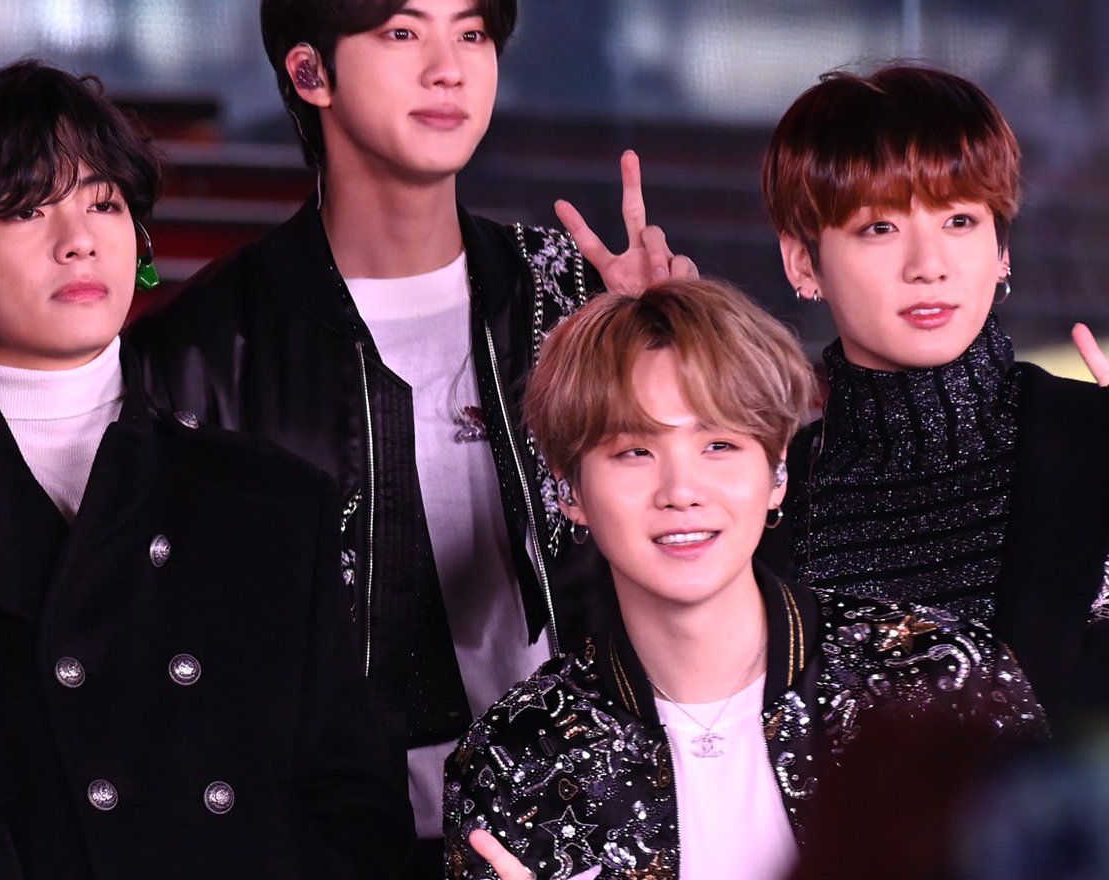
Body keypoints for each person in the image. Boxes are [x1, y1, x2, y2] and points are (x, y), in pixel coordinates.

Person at [126, 0, 687, 871]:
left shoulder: (569, 295)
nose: (449, 68)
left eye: (473, 34)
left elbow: (712, 526)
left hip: (585, 812)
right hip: (326, 837)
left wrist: (678, 353)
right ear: (310, 72)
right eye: (401, 32)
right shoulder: (209, 349)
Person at [0, 59, 410, 878]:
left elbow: (353, 806)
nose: (78, 240)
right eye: (26, 209)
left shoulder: (272, 502)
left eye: (103, 203)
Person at [442, 279, 1043, 880]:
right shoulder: (516, 755)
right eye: (634, 452)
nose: (681, 492)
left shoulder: (939, 677)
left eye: (720, 445)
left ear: (777, 471)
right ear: (569, 489)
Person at [756, 65, 1109, 723]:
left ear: (1002, 248)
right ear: (804, 262)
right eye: (880, 228)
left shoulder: (1091, 440)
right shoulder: (764, 499)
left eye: (960, 220)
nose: (929, 265)